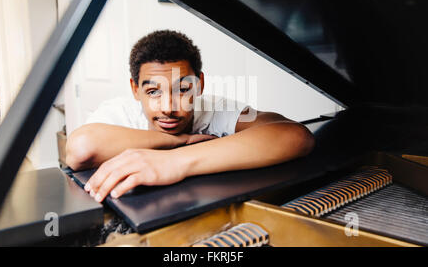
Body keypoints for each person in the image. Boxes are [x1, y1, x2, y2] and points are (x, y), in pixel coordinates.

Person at [66, 30, 315, 203]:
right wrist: (179, 141)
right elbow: (79, 149)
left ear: (200, 84)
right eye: (153, 92)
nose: (168, 107)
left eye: (183, 90)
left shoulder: (216, 108)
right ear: (135, 89)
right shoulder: (119, 112)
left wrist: (175, 162)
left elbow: (295, 136)